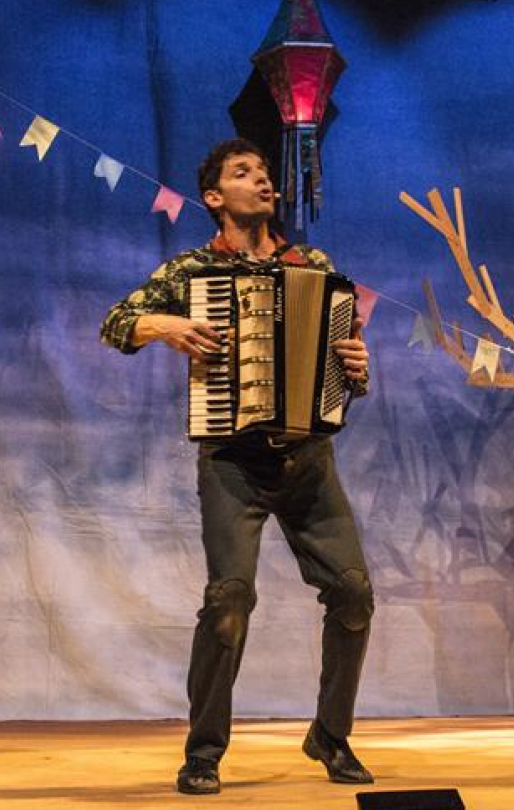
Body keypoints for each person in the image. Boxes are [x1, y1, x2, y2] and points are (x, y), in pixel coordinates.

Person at [100, 138, 375, 795]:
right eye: (244, 173)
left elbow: (343, 367)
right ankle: (203, 753)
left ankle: (330, 735)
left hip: (308, 457)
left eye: (265, 173)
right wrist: (166, 327)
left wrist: (357, 368)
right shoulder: (193, 271)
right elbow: (116, 323)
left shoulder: (313, 265)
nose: (263, 181)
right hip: (232, 460)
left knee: (353, 594)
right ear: (214, 197)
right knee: (228, 600)